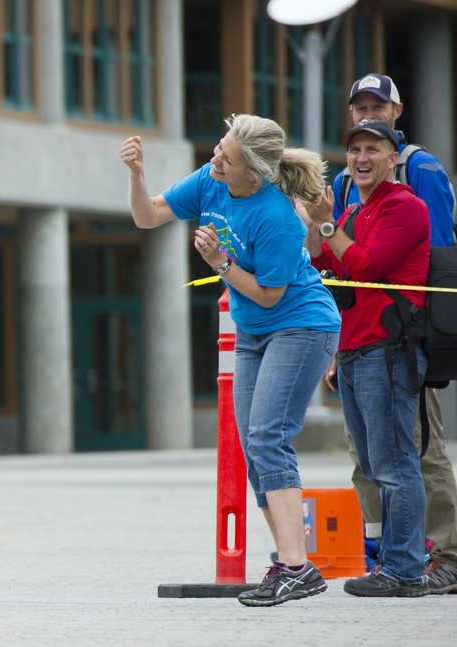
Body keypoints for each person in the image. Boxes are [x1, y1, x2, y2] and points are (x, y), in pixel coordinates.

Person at [120, 114, 340, 607]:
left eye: (228, 157)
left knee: (267, 436)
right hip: (254, 333)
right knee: (253, 444)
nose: (216, 158)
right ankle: (289, 563)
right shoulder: (211, 181)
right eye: (219, 147)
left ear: (255, 172)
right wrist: (136, 174)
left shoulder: (276, 217)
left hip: (301, 325)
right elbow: (148, 216)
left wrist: (221, 263)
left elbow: (267, 294)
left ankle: (297, 567)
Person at [327, 73, 457, 594]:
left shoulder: (417, 173)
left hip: (402, 335)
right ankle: (388, 554)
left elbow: (436, 253)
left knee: (417, 451)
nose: (368, 114)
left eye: (377, 108)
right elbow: (338, 266)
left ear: (397, 113)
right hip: (358, 339)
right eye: (359, 107)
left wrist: (428, 332)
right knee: (370, 457)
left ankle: (443, 552)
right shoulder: (345, 187)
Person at [306, 119, 429, 597]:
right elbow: (329, 269)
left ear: (392, 156)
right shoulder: (355, 213)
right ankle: (398, 566)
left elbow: (368, 267)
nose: (360, 158)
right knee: (377, 465)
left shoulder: (406, 207)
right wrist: (321, 231)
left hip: (389, 352)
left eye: (371, 149)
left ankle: (405, 570)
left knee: (397, 462)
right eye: (354, 148)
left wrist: (327, 225)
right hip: (355, 351)